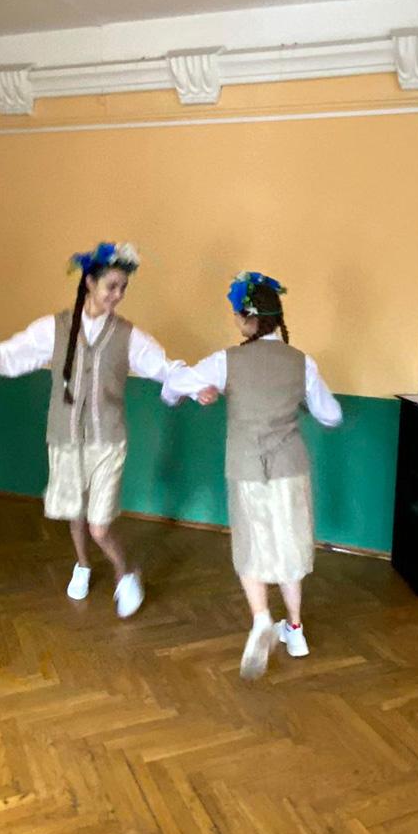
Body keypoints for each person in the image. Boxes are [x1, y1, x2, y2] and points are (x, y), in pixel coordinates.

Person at [0, 241, 183, 616]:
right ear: (89, 282)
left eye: (123, 288)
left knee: (100, 525)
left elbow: (164, 368)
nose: (117, 295)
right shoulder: (53, 329)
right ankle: (82, 565)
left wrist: (196, 385)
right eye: (111, 286)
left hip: (108, 441)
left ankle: (124, 573)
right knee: (75, 513)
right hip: (65, 438)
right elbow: (5, 359)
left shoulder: (128, 336)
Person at [162, 271, 342, 679]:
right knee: (290, 547)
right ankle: (295, 631)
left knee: (251, 544)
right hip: (290, 467)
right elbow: (331, 415)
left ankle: (261, 618)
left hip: (246, 466)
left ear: (248, 318)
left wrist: (190, 393)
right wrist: (298, 402)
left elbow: (174, 385)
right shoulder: (302, 362)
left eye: (236, 315)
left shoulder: (226, 361)